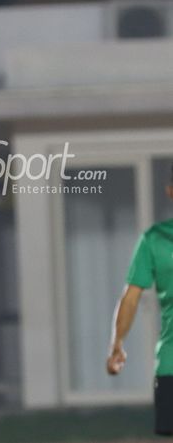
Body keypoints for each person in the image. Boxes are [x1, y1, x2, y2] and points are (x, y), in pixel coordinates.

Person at [107, 167, 173, 436]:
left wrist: (117, 345)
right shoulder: (154, 239)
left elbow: (131, 298)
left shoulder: (153, 239)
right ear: (170, 192)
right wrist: (117, 344)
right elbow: (131, 298)